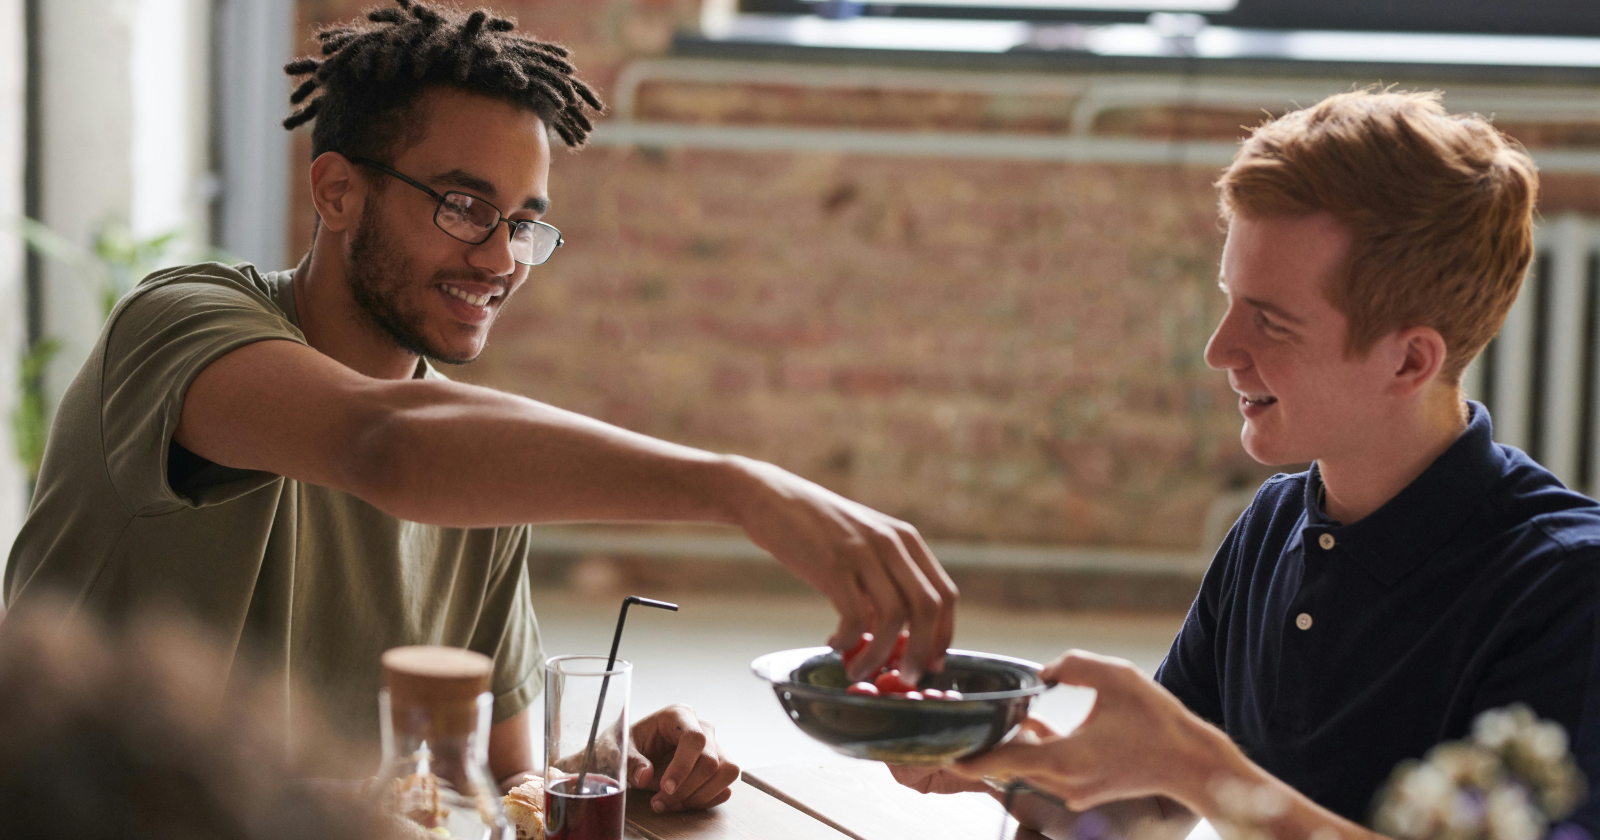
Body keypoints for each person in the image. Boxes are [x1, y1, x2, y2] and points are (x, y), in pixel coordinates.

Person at [2, 0, 957, 814]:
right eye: (463, 206)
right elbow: (384, 447)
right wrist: (741, 489)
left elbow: (503, 779)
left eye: (526, 222)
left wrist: (609, 770)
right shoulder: (183, 324)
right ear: (336, 191)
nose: (501, 259)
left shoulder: (480, 477)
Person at [893, 89, 1599, 840]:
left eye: (1270, 321)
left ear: (1410, 360)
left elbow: (1192, 778)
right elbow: (1156, 809)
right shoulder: (1273, 523)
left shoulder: (1568, 589)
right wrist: (1005, 766)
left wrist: (1198, 766)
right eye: (1231, 299)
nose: (1219, 350)